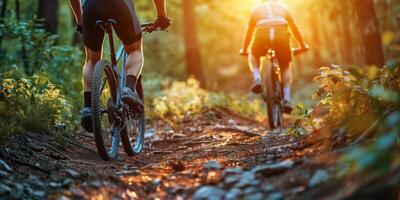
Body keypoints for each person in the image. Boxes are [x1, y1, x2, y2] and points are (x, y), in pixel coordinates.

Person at [69, 0, 170, 132]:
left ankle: (88, 106)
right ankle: (128, 89)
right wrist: (161, 17)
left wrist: (80, 20)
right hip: (120, 5)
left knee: (92, 60)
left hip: (91, 7)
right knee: (134, 50)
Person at [240, 0, 308, 113]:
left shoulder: (256, 10)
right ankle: (286, 99)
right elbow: (294, 27)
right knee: (285, 66)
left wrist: (244, 49)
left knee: (253, 54)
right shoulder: (283, 8)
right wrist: (302, 45)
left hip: (262, 38)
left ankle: (257, 79)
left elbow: (249, 32)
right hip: (281, 38)